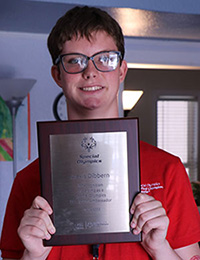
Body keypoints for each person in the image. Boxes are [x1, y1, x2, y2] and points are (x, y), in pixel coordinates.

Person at [0, 5, 200, 260]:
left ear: (121, 70)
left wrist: (159, 248)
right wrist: (34, 256)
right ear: (57, 75)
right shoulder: (26, 182)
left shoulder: (167, 170)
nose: (90, 71)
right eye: (75, 61)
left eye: (105, 59)